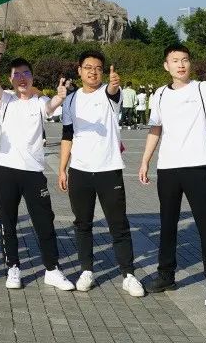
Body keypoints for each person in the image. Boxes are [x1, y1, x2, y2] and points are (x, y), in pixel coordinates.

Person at [139, 44, 206, 297]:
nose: (180, 64)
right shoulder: (159, 94)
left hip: (197, 167)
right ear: (166, 65)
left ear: (190, 63)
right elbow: (155, 129)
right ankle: (166, 275)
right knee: (168, 224)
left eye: (185, 60)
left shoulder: (202, 88)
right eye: (175, 60)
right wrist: (145, 161)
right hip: (168, 168)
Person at [58, 51, 145, 297]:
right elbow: (67, 135)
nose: (93, 72)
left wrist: (114, 85)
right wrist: (62, 169)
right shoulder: (71, 100)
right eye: (88, 67)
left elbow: (113, 92)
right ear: (79, 70)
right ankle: (86, 270)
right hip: (80, 170)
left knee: (118, 224)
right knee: (82, 224)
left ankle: (128, 275)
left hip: (109, 169)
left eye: (98, 68)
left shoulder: (109, 94)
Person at [0, 41, 73, 291]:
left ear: (32, 77)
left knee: (44, 221)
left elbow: (50, 106)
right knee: (8, 221)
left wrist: (60, 96)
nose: (22, 78)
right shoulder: (5, 101)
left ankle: (52, 269)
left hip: (34, 173)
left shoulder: (39, 101)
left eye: (26, 73)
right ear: (11, 79)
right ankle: (13, 267)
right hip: (7, 170)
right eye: (17, 75)